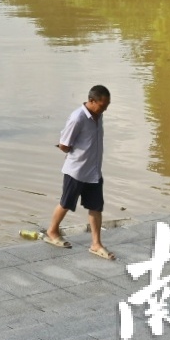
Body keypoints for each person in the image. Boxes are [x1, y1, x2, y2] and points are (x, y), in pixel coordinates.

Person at [44, 84, 114, 260]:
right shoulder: (78, 118)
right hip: (76, 170)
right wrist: (77, 152)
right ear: (91, 101)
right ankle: (52, 231)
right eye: (102, 105)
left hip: (94, 171)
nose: (105, 109)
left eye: (107, 106)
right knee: (66, 203)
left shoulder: (99, 116)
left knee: (96, 207)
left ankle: (96, 244)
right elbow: (64, 144)